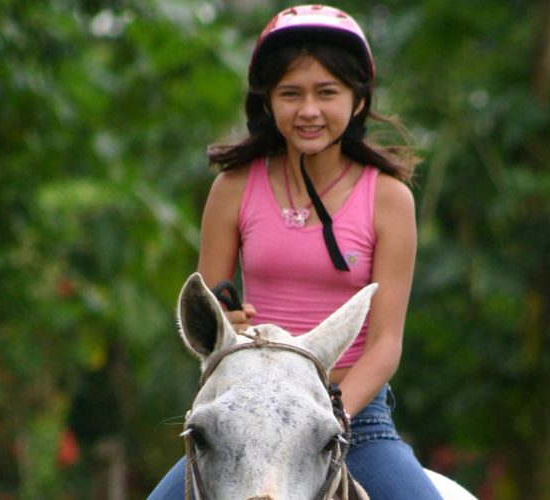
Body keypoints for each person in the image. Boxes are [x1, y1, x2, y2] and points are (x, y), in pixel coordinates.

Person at [149, 4, 440, 498]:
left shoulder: (390, 199)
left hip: (350, 418)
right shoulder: (233, 188)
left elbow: (386, 345)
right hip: (244, 414)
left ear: (359, 100)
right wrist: (229, 324)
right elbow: (210, 317)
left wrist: (324, 417)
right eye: (291, 94)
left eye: (327, 93)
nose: (308, 110)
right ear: (268, 102)